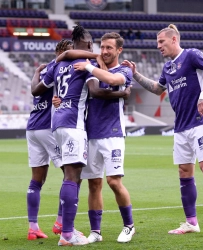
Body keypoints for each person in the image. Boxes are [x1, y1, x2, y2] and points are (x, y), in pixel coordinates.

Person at [122, 24, 203, 238]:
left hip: (201, 122)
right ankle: (191, 222)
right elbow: (157, 89)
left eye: (161, 42)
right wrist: (135, 74)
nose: (158, 46)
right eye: (157, 42)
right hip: (181, 126)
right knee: (184, 172)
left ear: (174, 40)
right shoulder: (167, 68)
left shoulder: (191, 55)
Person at [31, 25, 128, 246]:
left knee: (70, 175)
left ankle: (65, 228)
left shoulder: (57, 64)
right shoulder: (87, 65)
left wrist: (43, 78)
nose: (94, 47)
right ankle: (67, 233)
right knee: (72, 177)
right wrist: (123, 91)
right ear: (83, 44)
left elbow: (36, 91)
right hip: (74, 125)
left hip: (56, 125)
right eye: (91, 43)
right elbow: (95, 91)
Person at [57, 32, 135, 243]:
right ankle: (96, 232)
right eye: (102, 47)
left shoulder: (124, 70)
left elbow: (112, 79)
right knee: (94, 184)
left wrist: (90, 66)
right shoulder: (92, 69)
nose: (105, 51)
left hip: (113, 133)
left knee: (113, 181)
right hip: (90, 134)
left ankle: (129, 226)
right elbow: (87, 91)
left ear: (119, 50)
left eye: (109, 48)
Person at [26, 39, 73, 241]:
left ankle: (33, 227)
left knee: (37, 180)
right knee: (70, 173)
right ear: (63, 52)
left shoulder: (45, 71)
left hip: (32, 128)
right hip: (47, 126)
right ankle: (60, 222)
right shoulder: (59, 68)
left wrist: (36, 72)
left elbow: (34, 90)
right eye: (71, 51)